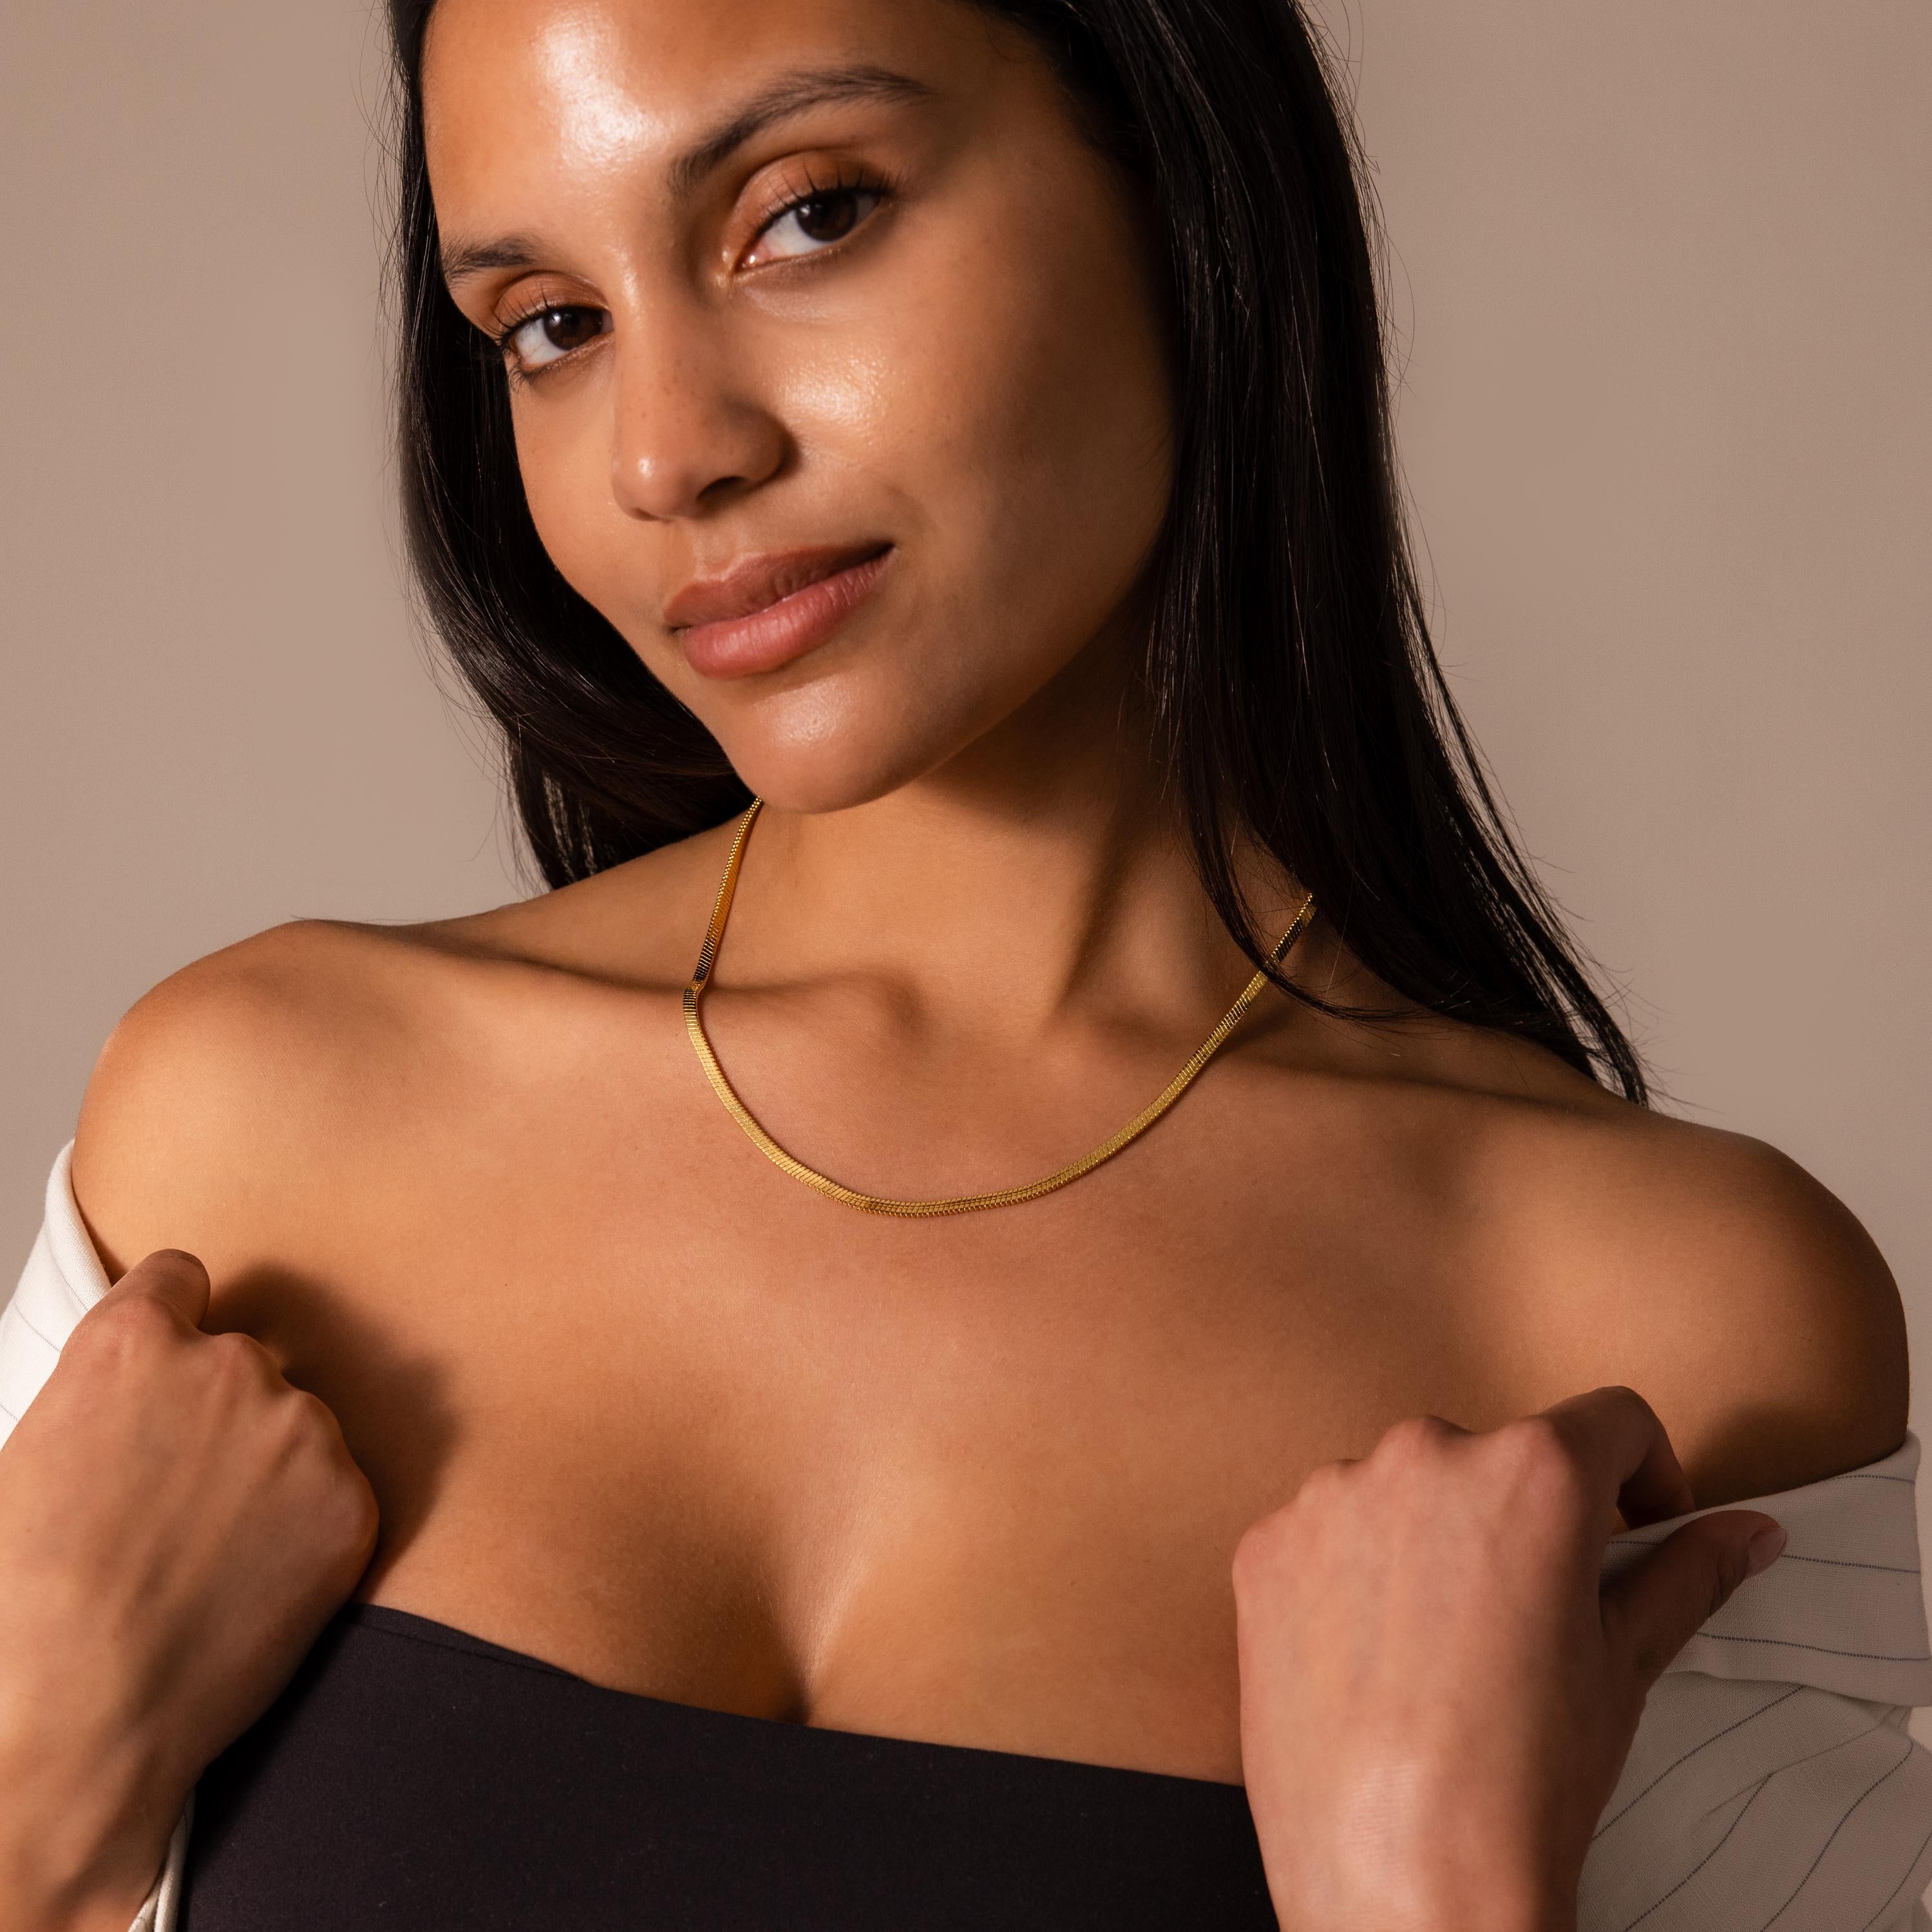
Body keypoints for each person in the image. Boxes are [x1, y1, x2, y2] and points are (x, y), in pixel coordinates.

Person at [0, 0, 1922, 1926]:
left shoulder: (1656, 1334)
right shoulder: (260, 1136)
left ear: (1177, 184)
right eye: (553, 326)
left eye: (810, 214)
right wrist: (31, 1792)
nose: (670, 454)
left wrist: (1420, 1894)